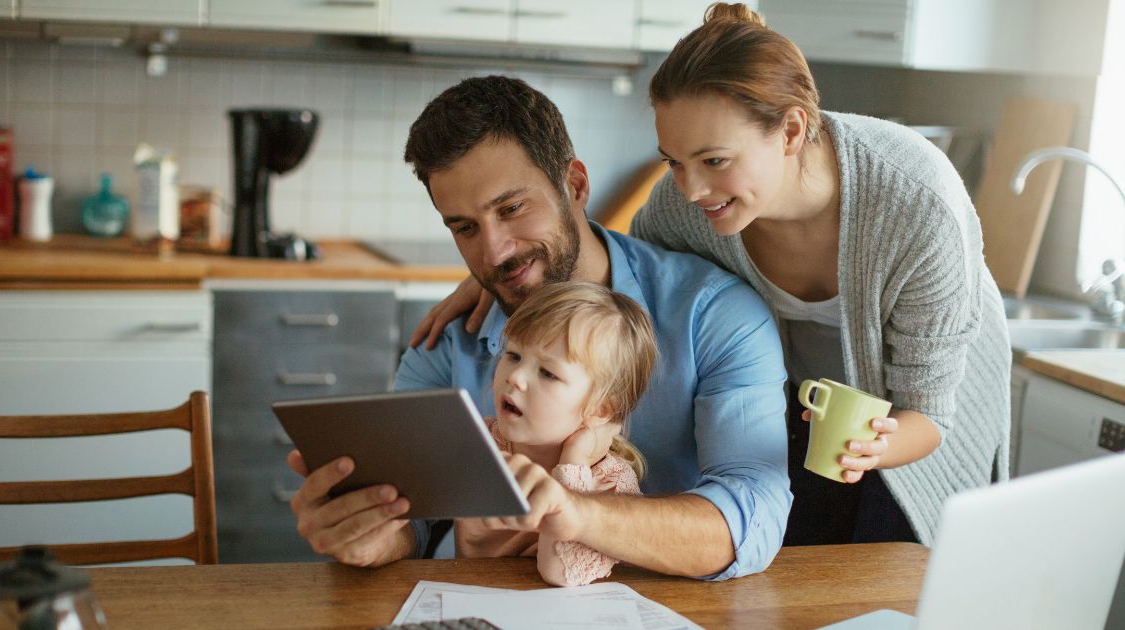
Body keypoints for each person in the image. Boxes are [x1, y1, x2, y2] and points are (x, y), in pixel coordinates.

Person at [414, 4, 1012, 548]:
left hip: (917, 417)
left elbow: (930, 412)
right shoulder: (687, 204)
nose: (692, 187)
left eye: (714, 162)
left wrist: (875, 446)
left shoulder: (915, 203)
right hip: (807, 411)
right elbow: (621, 280)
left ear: (792, 131)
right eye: (675, 162)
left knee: (900, 566)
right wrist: (503, 271)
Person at [288, 74, 792, 580]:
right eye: (464, 227)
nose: (494, 252)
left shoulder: (714, 315)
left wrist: (576, 514)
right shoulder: (446, 343)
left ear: (574, 185)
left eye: (511, 208)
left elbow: (753, 517)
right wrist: (371, 535)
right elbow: (411, 516)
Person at [458, 281, 654, 587]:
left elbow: (559, 572)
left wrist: (572, 463)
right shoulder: (481, 443)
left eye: (548, 373)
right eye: (513, 355)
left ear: (601, 409)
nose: (516, 378)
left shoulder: (610, 481)